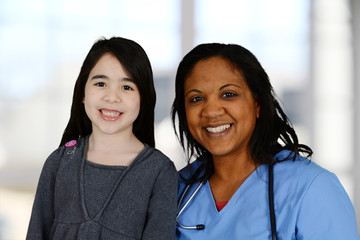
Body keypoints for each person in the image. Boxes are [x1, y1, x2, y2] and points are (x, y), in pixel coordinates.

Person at [172, 43, 359, 239]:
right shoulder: (176, 189)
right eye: (196, 98)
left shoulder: (313, 188)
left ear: (258, 104)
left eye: (228, 95)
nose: (211, 111)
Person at [26, 37, 178, 240]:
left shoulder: (159, 171)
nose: (112, 97)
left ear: (144, 99)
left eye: (127, 87)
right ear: (82, 92)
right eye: (100, 83)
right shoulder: (59, 162)